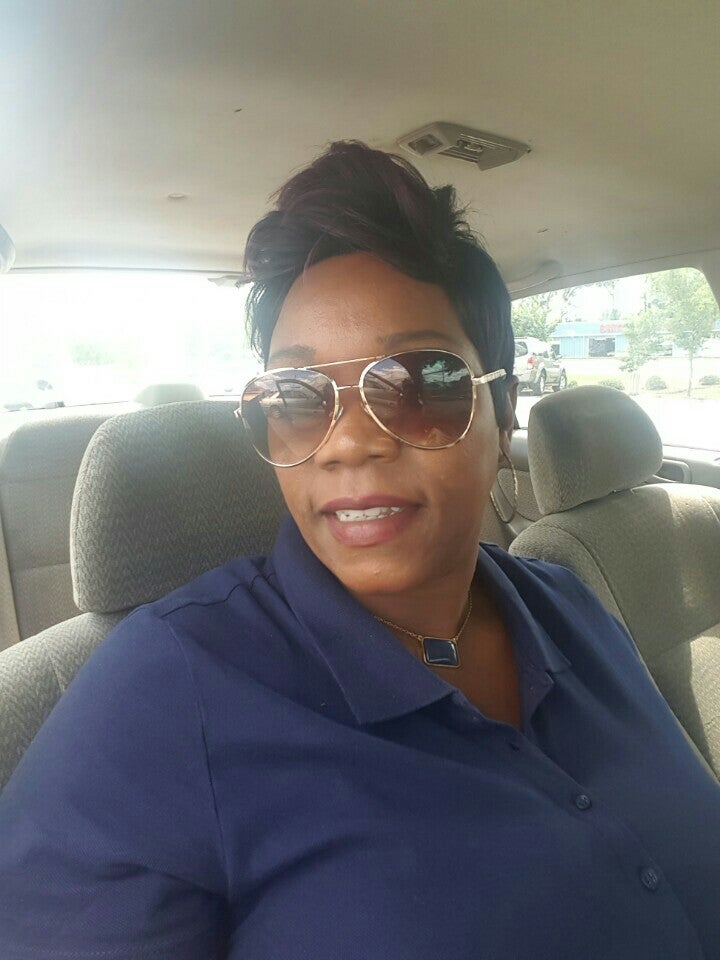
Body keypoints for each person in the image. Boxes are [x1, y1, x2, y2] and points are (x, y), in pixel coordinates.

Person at [0, 141, 719, 960]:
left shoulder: (572, 608)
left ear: (502, 413)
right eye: (297, 397)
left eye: (417, 385)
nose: (347, 442)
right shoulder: (162, 695)